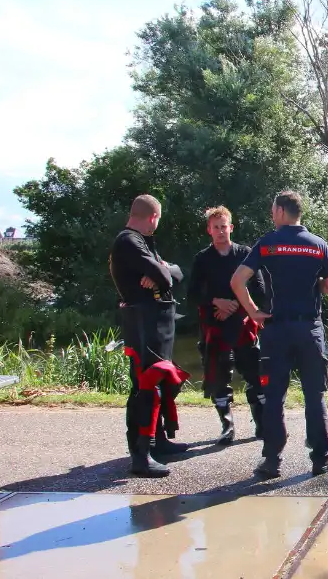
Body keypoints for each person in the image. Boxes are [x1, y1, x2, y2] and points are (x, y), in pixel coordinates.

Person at [231, 191, 328, 478]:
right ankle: (321, 457)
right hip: (309, 329)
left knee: (274, 394)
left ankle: (271, 460)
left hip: (275, 329)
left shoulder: (267, 244)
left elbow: (237, 281)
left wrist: (254, 311)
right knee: (314, 395)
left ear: (281, 211)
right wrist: (315, 282)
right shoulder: (318, 245)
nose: (271, 214)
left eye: (272, 209)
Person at [109, 194, 190, 478]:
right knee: (146, 389)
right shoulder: (129, 241)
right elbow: (167, 277)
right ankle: (141, 455)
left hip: (156, 325)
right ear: (153, 217)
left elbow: (176, 273)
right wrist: (161, 272)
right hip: (144, 325)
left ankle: (159, 443)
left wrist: (161, 271)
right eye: (158, 220)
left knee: (161, 384)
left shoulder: (142, 243)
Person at [186, 206, 267, 444]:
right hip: (215, 324)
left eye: (224, 227)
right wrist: (215, 302)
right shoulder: (202, 259)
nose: (221, 232)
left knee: (255, 373)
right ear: (209, 230)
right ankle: (227, 426)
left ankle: (262, 423)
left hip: (243, 322)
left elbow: (259, 290)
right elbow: (192, 295)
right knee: (219, 375)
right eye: (216, 228)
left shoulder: (245, 254)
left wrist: (237, 305)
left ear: (231, 227)